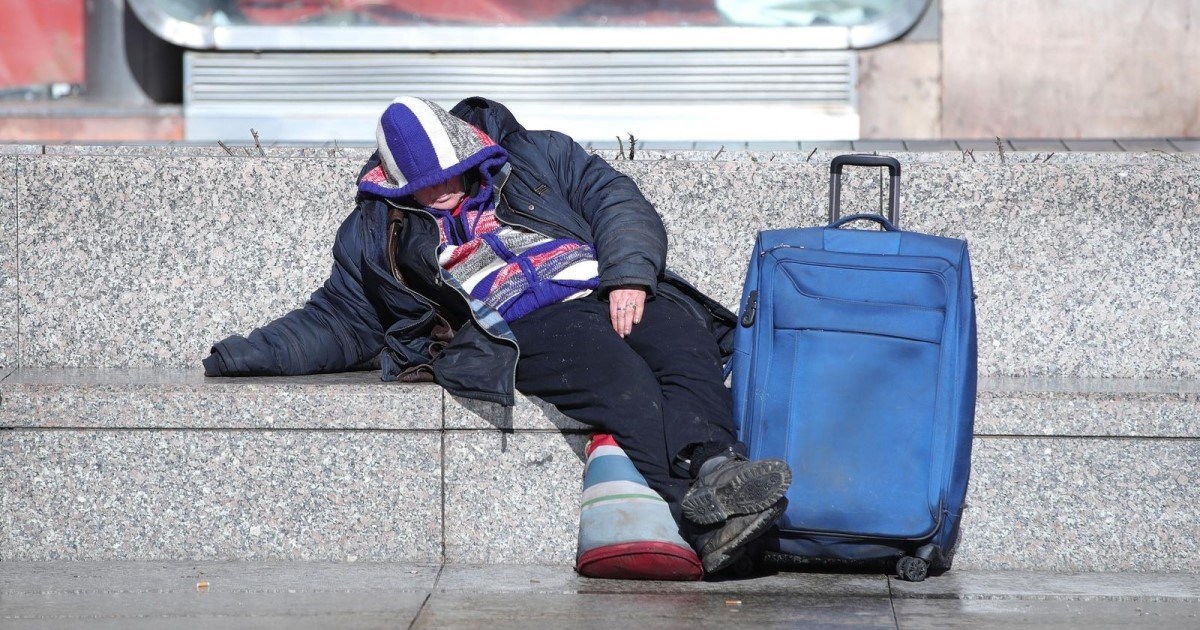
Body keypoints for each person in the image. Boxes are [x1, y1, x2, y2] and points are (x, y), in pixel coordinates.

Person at [203, 96, 791, 575]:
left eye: (450, 176)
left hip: (598, 284)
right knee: (620, 377)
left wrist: (630, 275)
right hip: (518, 323)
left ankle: (717, 469)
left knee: (679, 336)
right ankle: (701, 517)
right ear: (396, 181)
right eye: (424, 185)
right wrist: (241, 355)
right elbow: (339, 319)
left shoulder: (537, 154)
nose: (440, 191)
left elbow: (616, 200)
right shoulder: (374, 230)